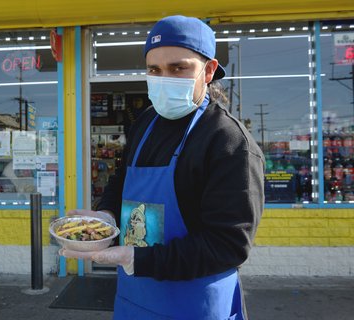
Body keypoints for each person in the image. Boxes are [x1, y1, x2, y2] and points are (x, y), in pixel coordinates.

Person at [60, 15, 265, 319]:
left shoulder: (228, 141)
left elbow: (228, 245)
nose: (163, 77)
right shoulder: (146, 122)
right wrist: (106, 213)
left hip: (195, 304)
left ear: (208, 71)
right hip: (135, 296)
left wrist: (135, 258)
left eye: (178, 68)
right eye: (154, 69)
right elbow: (122, 178)